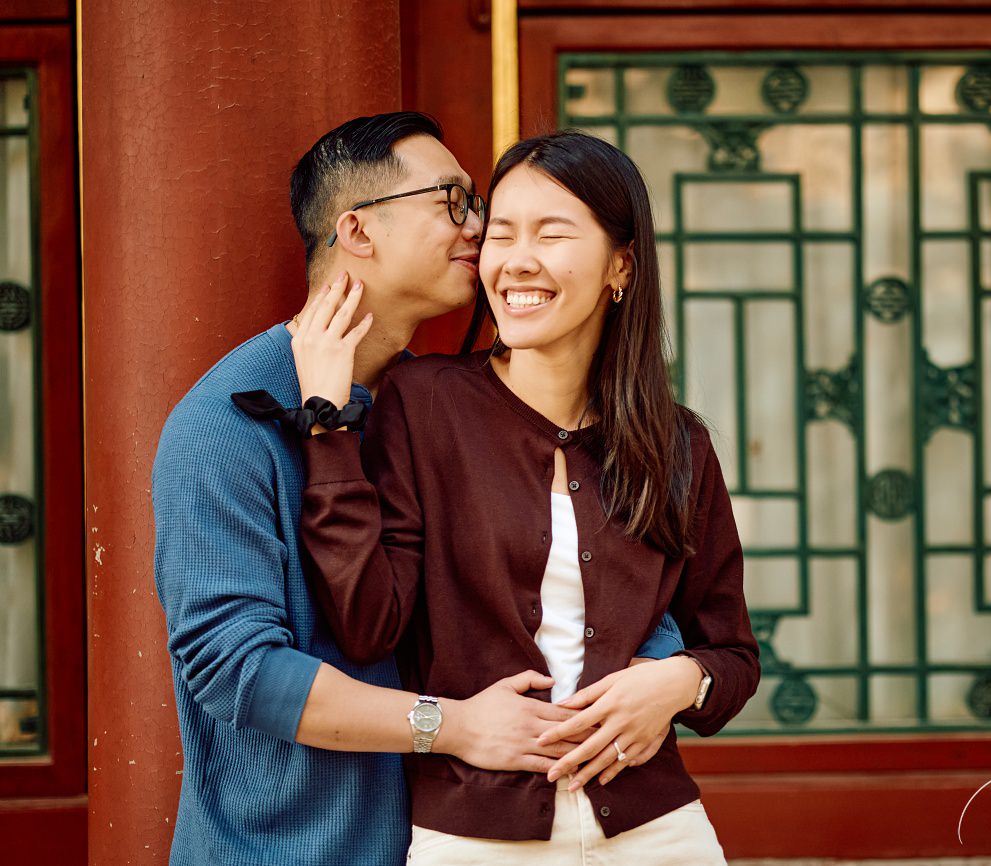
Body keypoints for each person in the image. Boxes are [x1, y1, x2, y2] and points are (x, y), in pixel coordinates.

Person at [152, 112, 682, 866]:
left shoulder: (439, 408)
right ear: (359, 232)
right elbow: (233, 668)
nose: (482, 229)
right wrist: (454, 725)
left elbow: (576, 570)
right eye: (453, 202)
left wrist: (670, 673)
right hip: (285, 849)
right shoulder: (224, 424)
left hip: (453, 841)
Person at [292, 130, 760, 864]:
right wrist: (327, 425)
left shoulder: (676, 444)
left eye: (552, 233)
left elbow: (732, 655)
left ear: (621, 266)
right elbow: (368, 621)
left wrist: (677, 682)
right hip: (473, 839)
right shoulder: (426, 405)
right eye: (502, 233)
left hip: (658, 832)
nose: (516, 259)